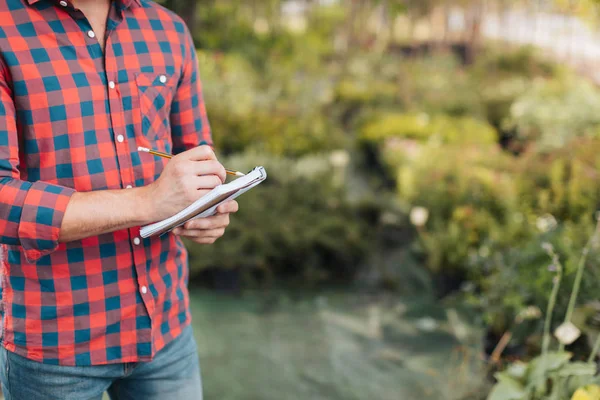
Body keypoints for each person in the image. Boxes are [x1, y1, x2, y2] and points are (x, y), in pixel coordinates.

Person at [0, 0, 237, 398]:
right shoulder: (6, 29)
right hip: (56, 346)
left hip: (166, 328)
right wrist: (148, 202)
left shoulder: (169, 29)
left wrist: (208, 206)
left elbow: (198, 155)